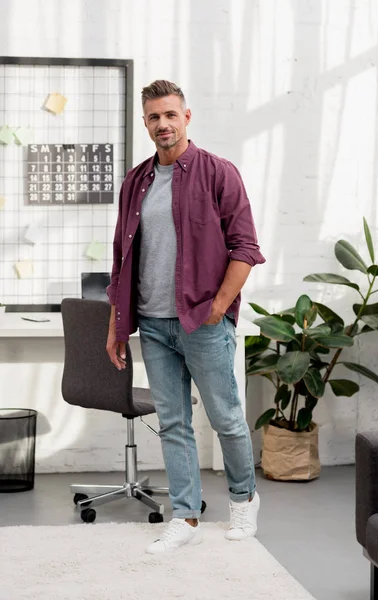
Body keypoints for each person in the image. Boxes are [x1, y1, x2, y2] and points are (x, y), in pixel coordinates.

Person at [106, 80, 265, 555]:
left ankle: (243, 499)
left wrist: (218, 307)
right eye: (154, 117)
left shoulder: (219, 173)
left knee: (226, 418)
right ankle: (185, 515)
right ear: (146, 123)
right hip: (152, 324)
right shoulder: (136, 182)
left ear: (187, 116)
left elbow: (246, 249)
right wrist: (117, 325)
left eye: (170, 115)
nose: (163, 125)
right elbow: (121, 258)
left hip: (203, 322)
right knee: (173, 423)